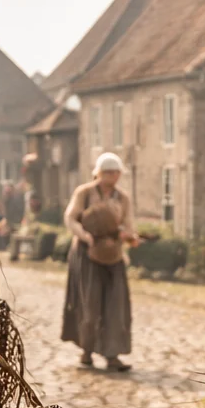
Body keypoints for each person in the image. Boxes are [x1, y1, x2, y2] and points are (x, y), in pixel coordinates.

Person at [62, 151, 138, 372]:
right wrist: (84, 235)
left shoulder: (122, 198)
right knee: (90, 305)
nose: (113, 176)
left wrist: (129, 236)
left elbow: (128, 224)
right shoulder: (84, 193)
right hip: (87, 255)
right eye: (108, 172)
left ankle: (112, 355)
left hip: (113, 255)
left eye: (116, 172)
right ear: (99, 173)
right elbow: (71, 218)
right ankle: (86, 352)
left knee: (115, 306)